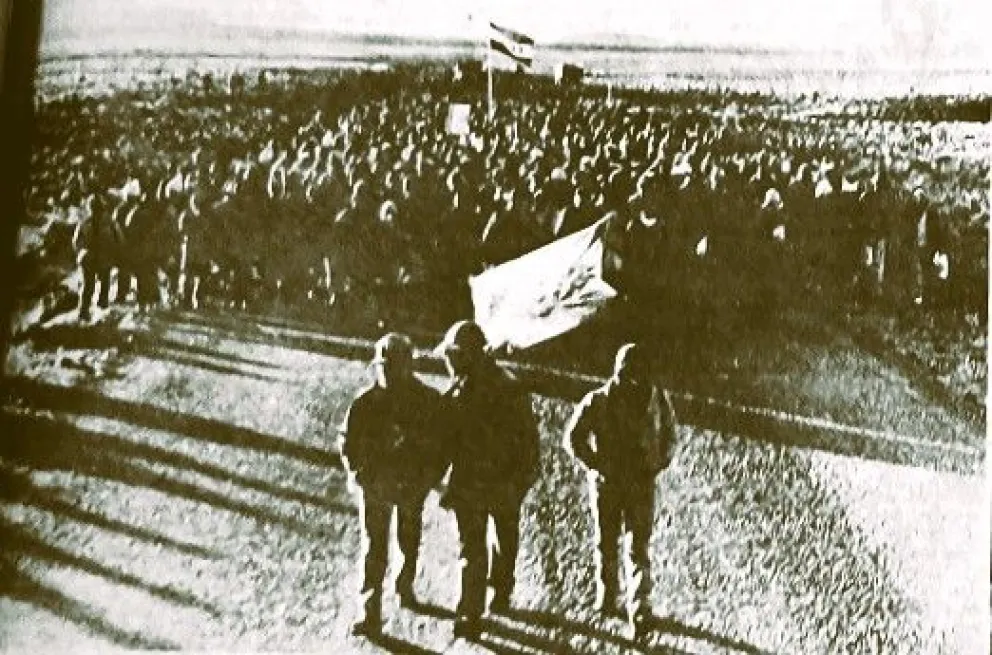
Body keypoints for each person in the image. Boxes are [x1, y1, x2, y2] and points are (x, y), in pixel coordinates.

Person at [563, 342, 678, 641]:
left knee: (637, 546)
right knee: (607, 541)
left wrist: (658, 463)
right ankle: (607, 595)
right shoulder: (598, 400)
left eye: (639, 372)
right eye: (629, 372)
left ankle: (638, 608)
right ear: (619, 371)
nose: (635, 379)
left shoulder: (656, 399)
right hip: (608, 484)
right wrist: (595, 465)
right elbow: (573, 438)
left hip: (638, 483)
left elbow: (670, 435)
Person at [435, 320, 540, 640]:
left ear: (467, 355)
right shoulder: (497, 385)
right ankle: (484, 602)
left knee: (484, 545)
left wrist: (520, 480)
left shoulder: (477, 390)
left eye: (453, 355)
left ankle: (482, 603)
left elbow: (527, 441)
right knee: (487, 543)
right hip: (489, 482)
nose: (448, 362)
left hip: (490, 480)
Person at [340, 333, 447, 638]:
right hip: (375, 484)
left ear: (407, 366)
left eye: (393, 366)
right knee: (374, 546)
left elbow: (441, 446)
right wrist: (357, 472)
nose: (386, 372)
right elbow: (347, 442)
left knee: (408, 537)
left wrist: (428, 478)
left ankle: (405, 584)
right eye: (382, 366)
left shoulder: (427, 400)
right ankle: (369, 609)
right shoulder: (364, 403)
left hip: (411, 484)